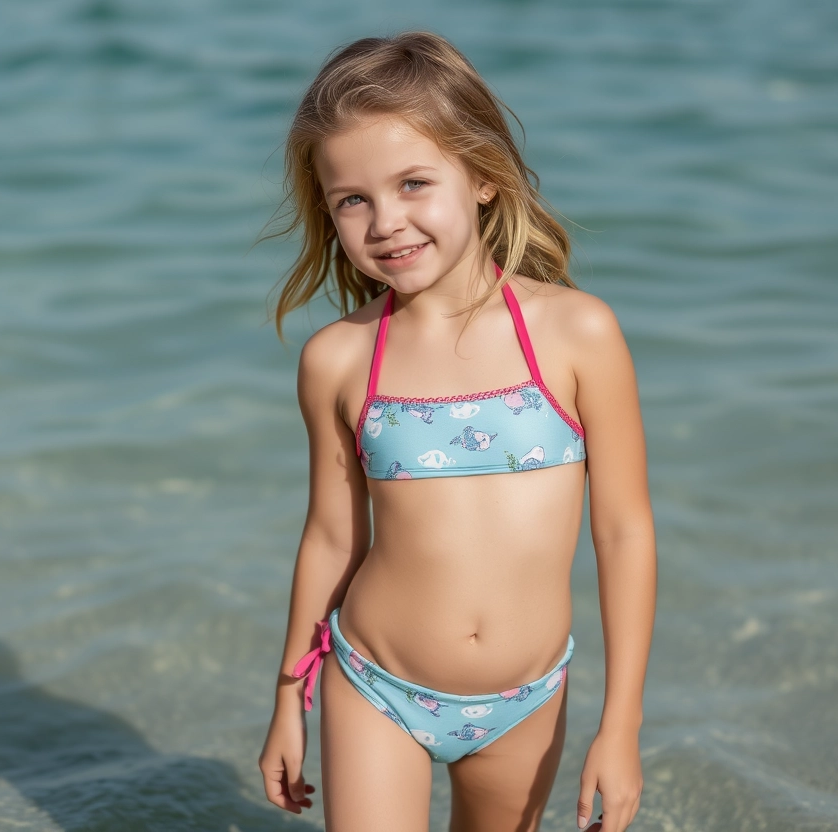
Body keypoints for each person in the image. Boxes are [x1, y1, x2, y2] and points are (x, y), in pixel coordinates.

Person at [256, 31, 656, 832]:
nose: (385, 222)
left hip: (525, 696)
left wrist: (622, 725)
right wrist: (287, 700)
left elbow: (623, 531)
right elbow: (332, 541)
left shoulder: (577, 334)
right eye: (352, 200)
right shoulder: (340, 359)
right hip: (376, 680)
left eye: (412, 183)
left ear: (481, 176)